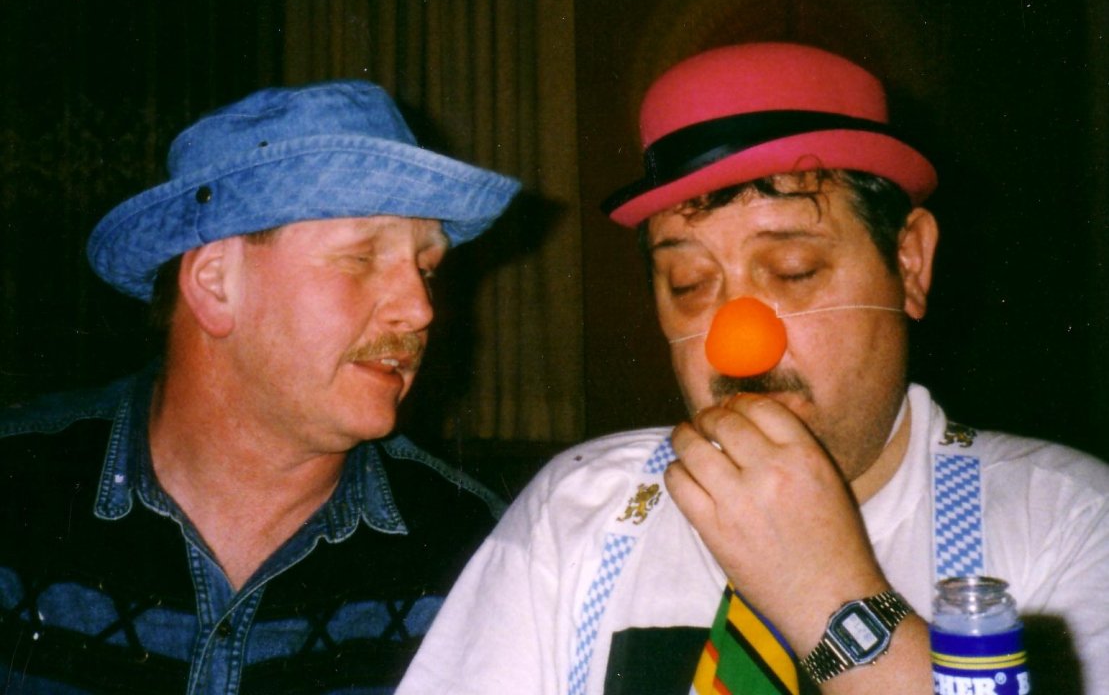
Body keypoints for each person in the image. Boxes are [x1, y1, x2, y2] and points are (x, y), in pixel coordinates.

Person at [397, 43, 1109, 694]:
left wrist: (829, 599)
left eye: (793, 270)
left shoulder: (1067, 523)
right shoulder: (576, 513)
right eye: (687, 284)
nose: (737, 346)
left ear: (909, 263)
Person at [0, 80, 521, 694]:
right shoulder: (18, 491)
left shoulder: (470, 551)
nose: (420, 309)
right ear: (216, 284)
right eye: (360, 258)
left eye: (426, 269)